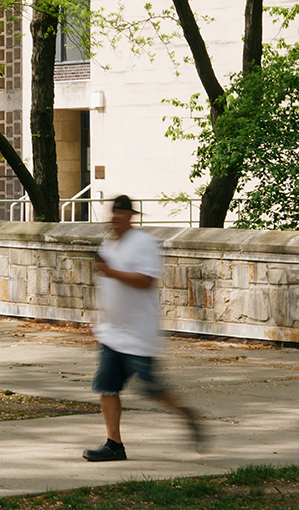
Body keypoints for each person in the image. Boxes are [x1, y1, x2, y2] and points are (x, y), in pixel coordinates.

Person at [83, 194, 205, 462]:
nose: (113, 220)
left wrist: (111, 272)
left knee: (152, 390)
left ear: (129, 217)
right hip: (113, 333)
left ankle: (188, 417)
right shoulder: (109, 245)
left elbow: (146, 281)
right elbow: (106, 284)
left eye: (119, 215)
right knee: (106, 386)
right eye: (111, 215)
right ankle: (114, 445)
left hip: (139, 333)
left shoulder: (144, 244)